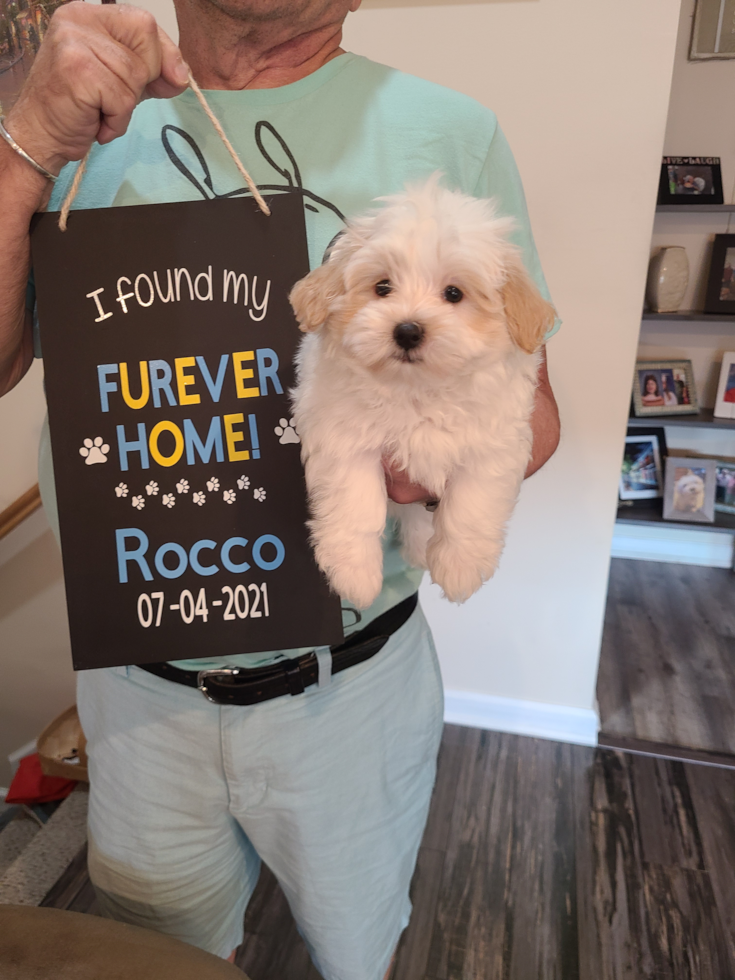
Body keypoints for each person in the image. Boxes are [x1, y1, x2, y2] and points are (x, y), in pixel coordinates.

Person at [0, 3, 560, 977]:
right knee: (155, 959)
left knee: (355, 949)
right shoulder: (76, 120)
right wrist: (24, 149)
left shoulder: (452, 134)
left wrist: (418, 461)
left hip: (351, 691)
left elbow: (532, 410)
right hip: (138, 684)